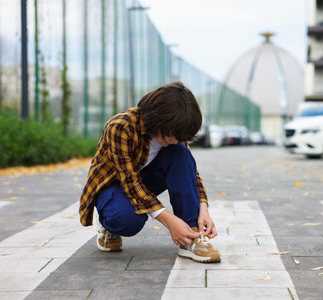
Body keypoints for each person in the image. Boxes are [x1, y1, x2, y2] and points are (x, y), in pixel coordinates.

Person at [79, 82, 220, 263]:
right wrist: (169, 222)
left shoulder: (173, 135)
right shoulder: (121, 127)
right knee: (128, 221)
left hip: (143, 182)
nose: (174, 139)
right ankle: (109, 224)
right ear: (158, 120)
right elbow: (129, 183)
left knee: (181, 153)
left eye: (179, 136)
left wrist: (203, 208)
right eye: (171, 134)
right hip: (113, 186)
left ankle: (192, 237)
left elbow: (190, 172)